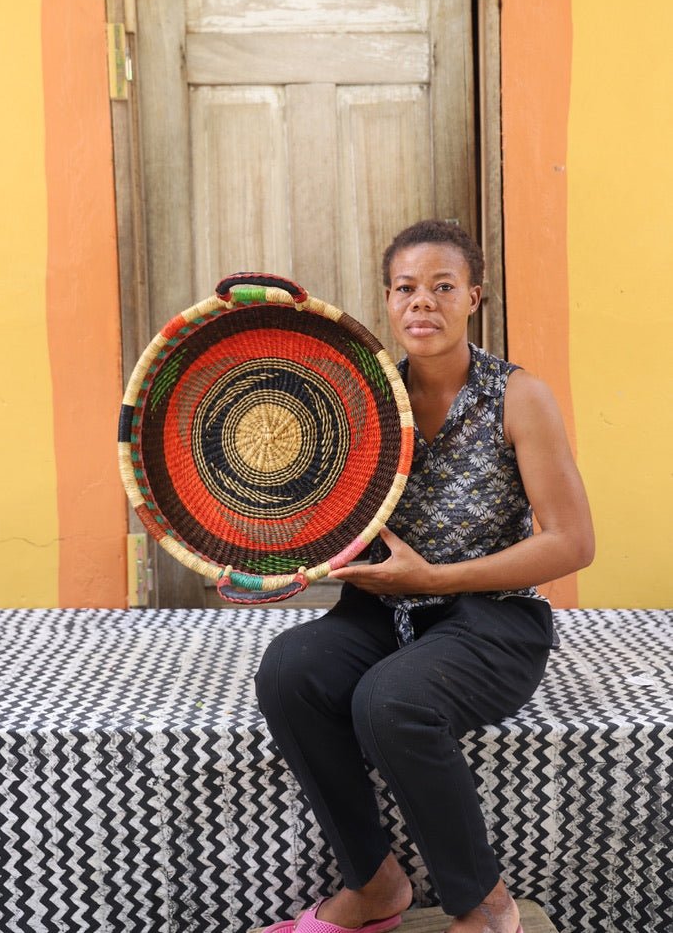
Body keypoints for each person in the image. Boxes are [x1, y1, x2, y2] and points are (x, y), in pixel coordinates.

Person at [254, 220, 594, 933]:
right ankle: (375, 885)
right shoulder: (367, 398)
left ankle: (488, 906)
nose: (423, 304)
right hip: (382, 610)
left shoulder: (518, 397)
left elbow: (572, 544)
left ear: (474, 297)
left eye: (443, 288)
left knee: (390, 698)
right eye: (406, 289)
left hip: (491, 618)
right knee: (290, 668)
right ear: (386, 301)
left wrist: (434, 577)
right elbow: (324, 508)